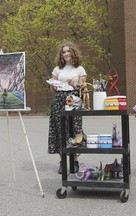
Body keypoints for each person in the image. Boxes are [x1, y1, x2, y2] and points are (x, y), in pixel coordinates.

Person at [48, 41, 87, 174]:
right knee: (60, 129)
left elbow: (83, 88)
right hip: (59, 99)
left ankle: (75, 160)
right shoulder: (57, 69)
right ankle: (62, 160)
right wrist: (54, 85)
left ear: (73, 52)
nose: (66, 54)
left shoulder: (79, 69)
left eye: (68, 51)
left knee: (75, 129)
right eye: (63, 52)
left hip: (74, 99)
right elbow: (53, 89)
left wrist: (74, 84)